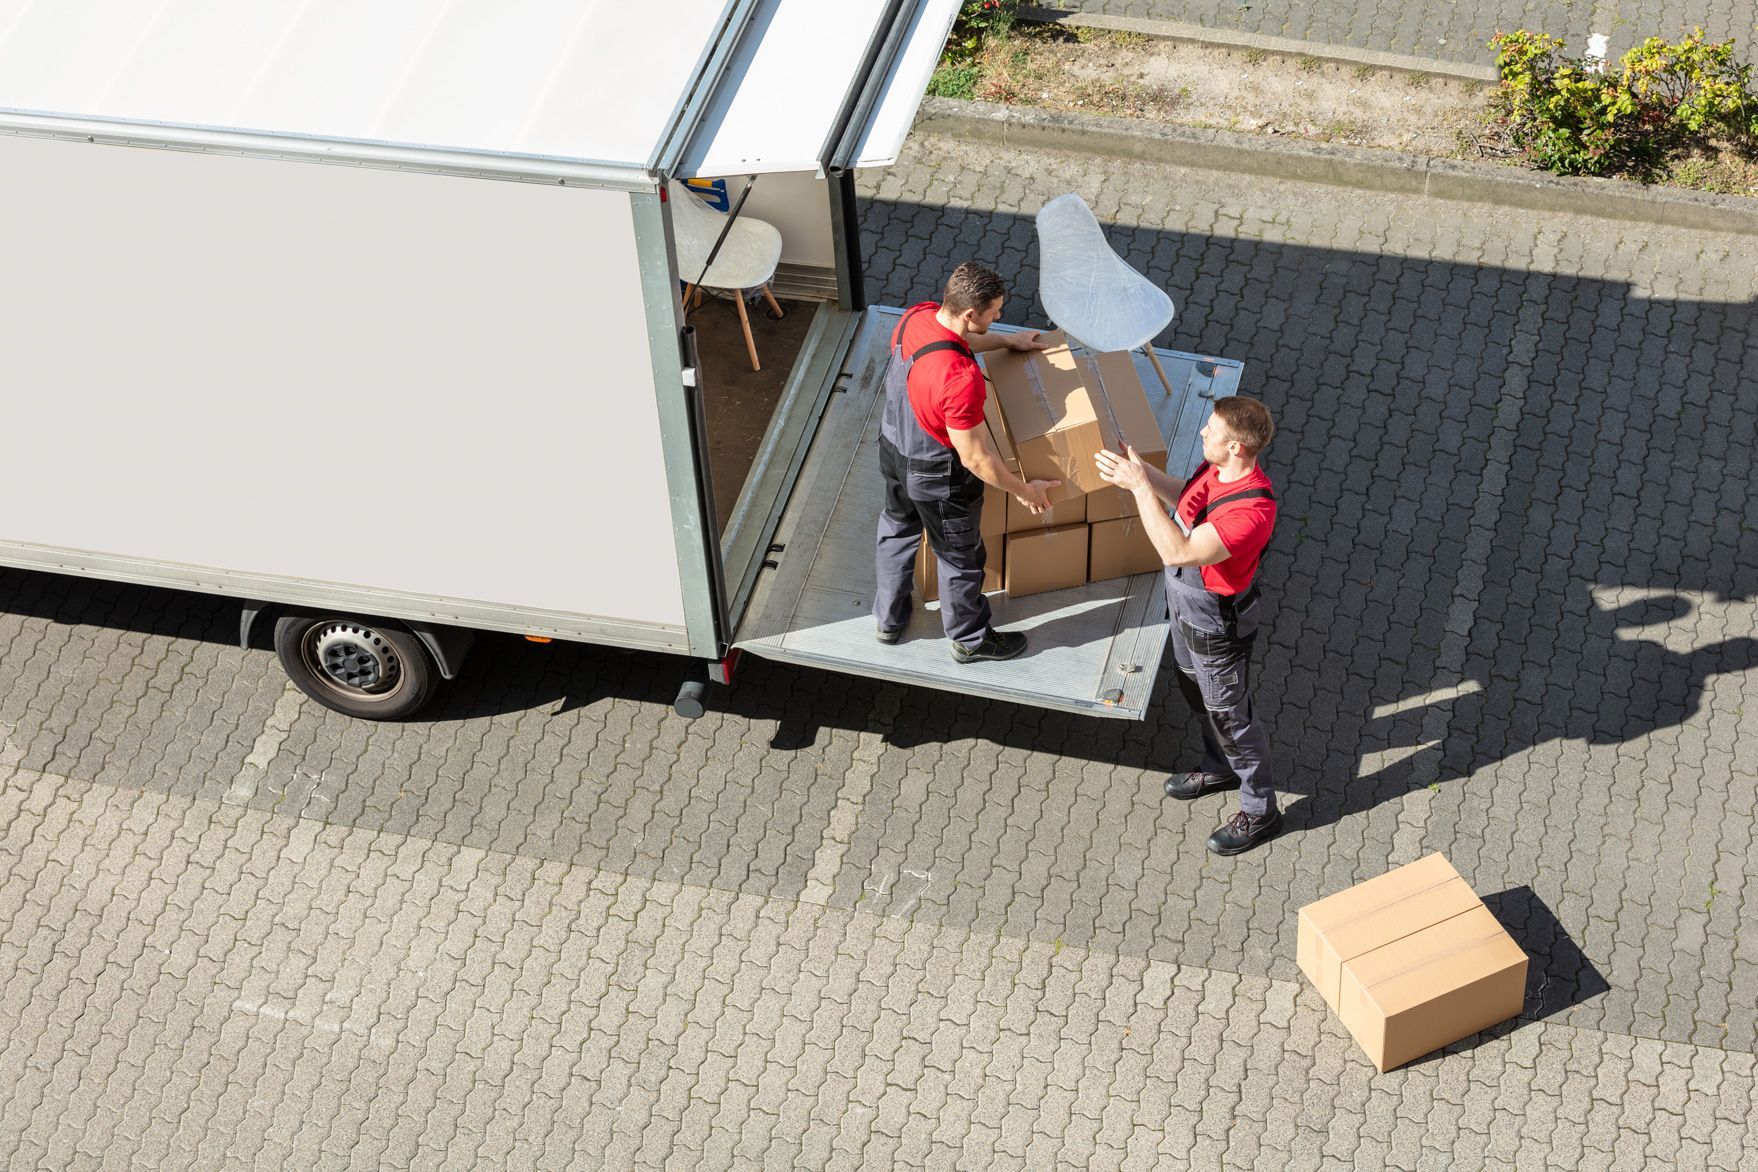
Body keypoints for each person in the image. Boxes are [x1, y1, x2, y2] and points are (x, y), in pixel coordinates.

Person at [1095, 398, 1282, 854]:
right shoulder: (1215, 469)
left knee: (1231, 717)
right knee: (1194, 692)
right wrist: (1143, 472)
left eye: (1211, 429)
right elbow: (1187, 501)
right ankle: (1218, 767)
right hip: (1184, 610)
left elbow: (1178, 551)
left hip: (1215, 626)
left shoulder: (1250, 513)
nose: (1202, 433)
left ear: (1235, 446)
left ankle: (1260, 811)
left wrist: (1139, 489)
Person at [873, 263, 1060, 663]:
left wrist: (1008, 342)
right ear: (970, 314)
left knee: (897, 529)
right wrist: (1024, 490)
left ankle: (888, 620)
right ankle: (970, 640)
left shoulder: (916, 317)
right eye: (995, 312)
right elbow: (976, 458)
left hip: (892, 448)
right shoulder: (960, 380)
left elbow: (951, 343)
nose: (999, 317)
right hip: (936, 476)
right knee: (960, 557)